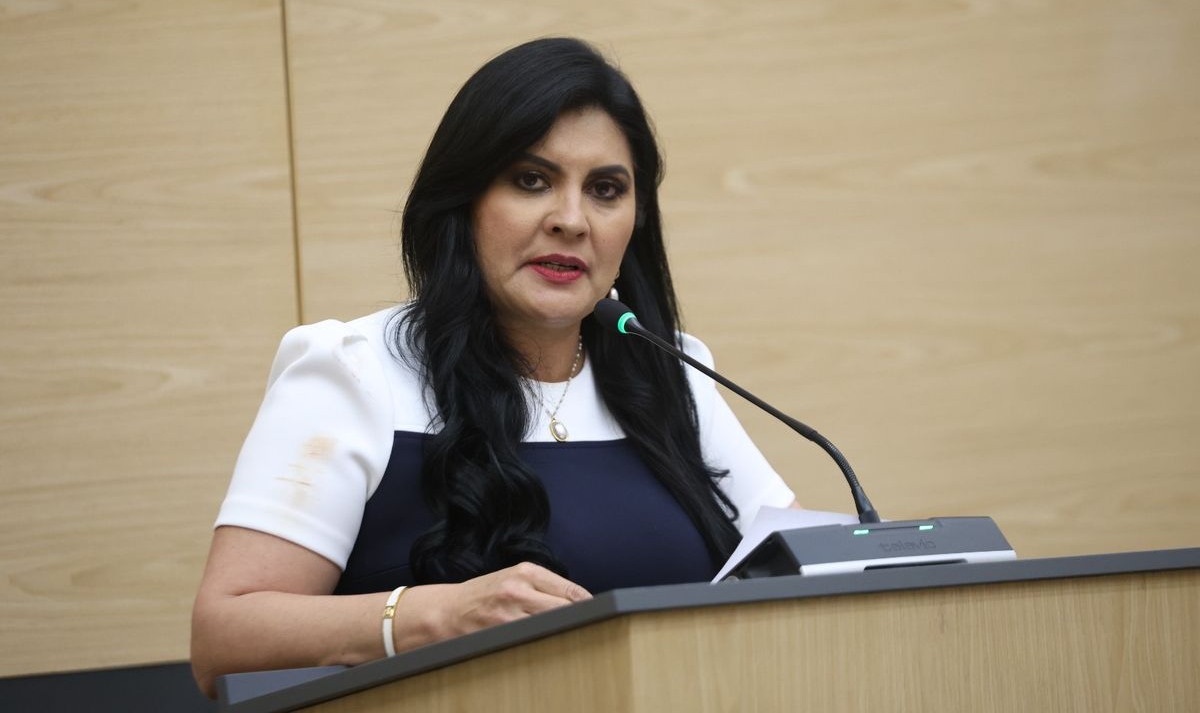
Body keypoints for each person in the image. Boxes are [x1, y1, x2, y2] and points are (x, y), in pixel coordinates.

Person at [190, 37, 794, 697]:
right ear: (466, 200)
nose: (571, 220)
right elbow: (224, 639)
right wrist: (435, 616)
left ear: (636, 221)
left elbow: (805, 568)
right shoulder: (357, 372)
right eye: (532, 181)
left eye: (605, 190)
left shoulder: (670, 370)